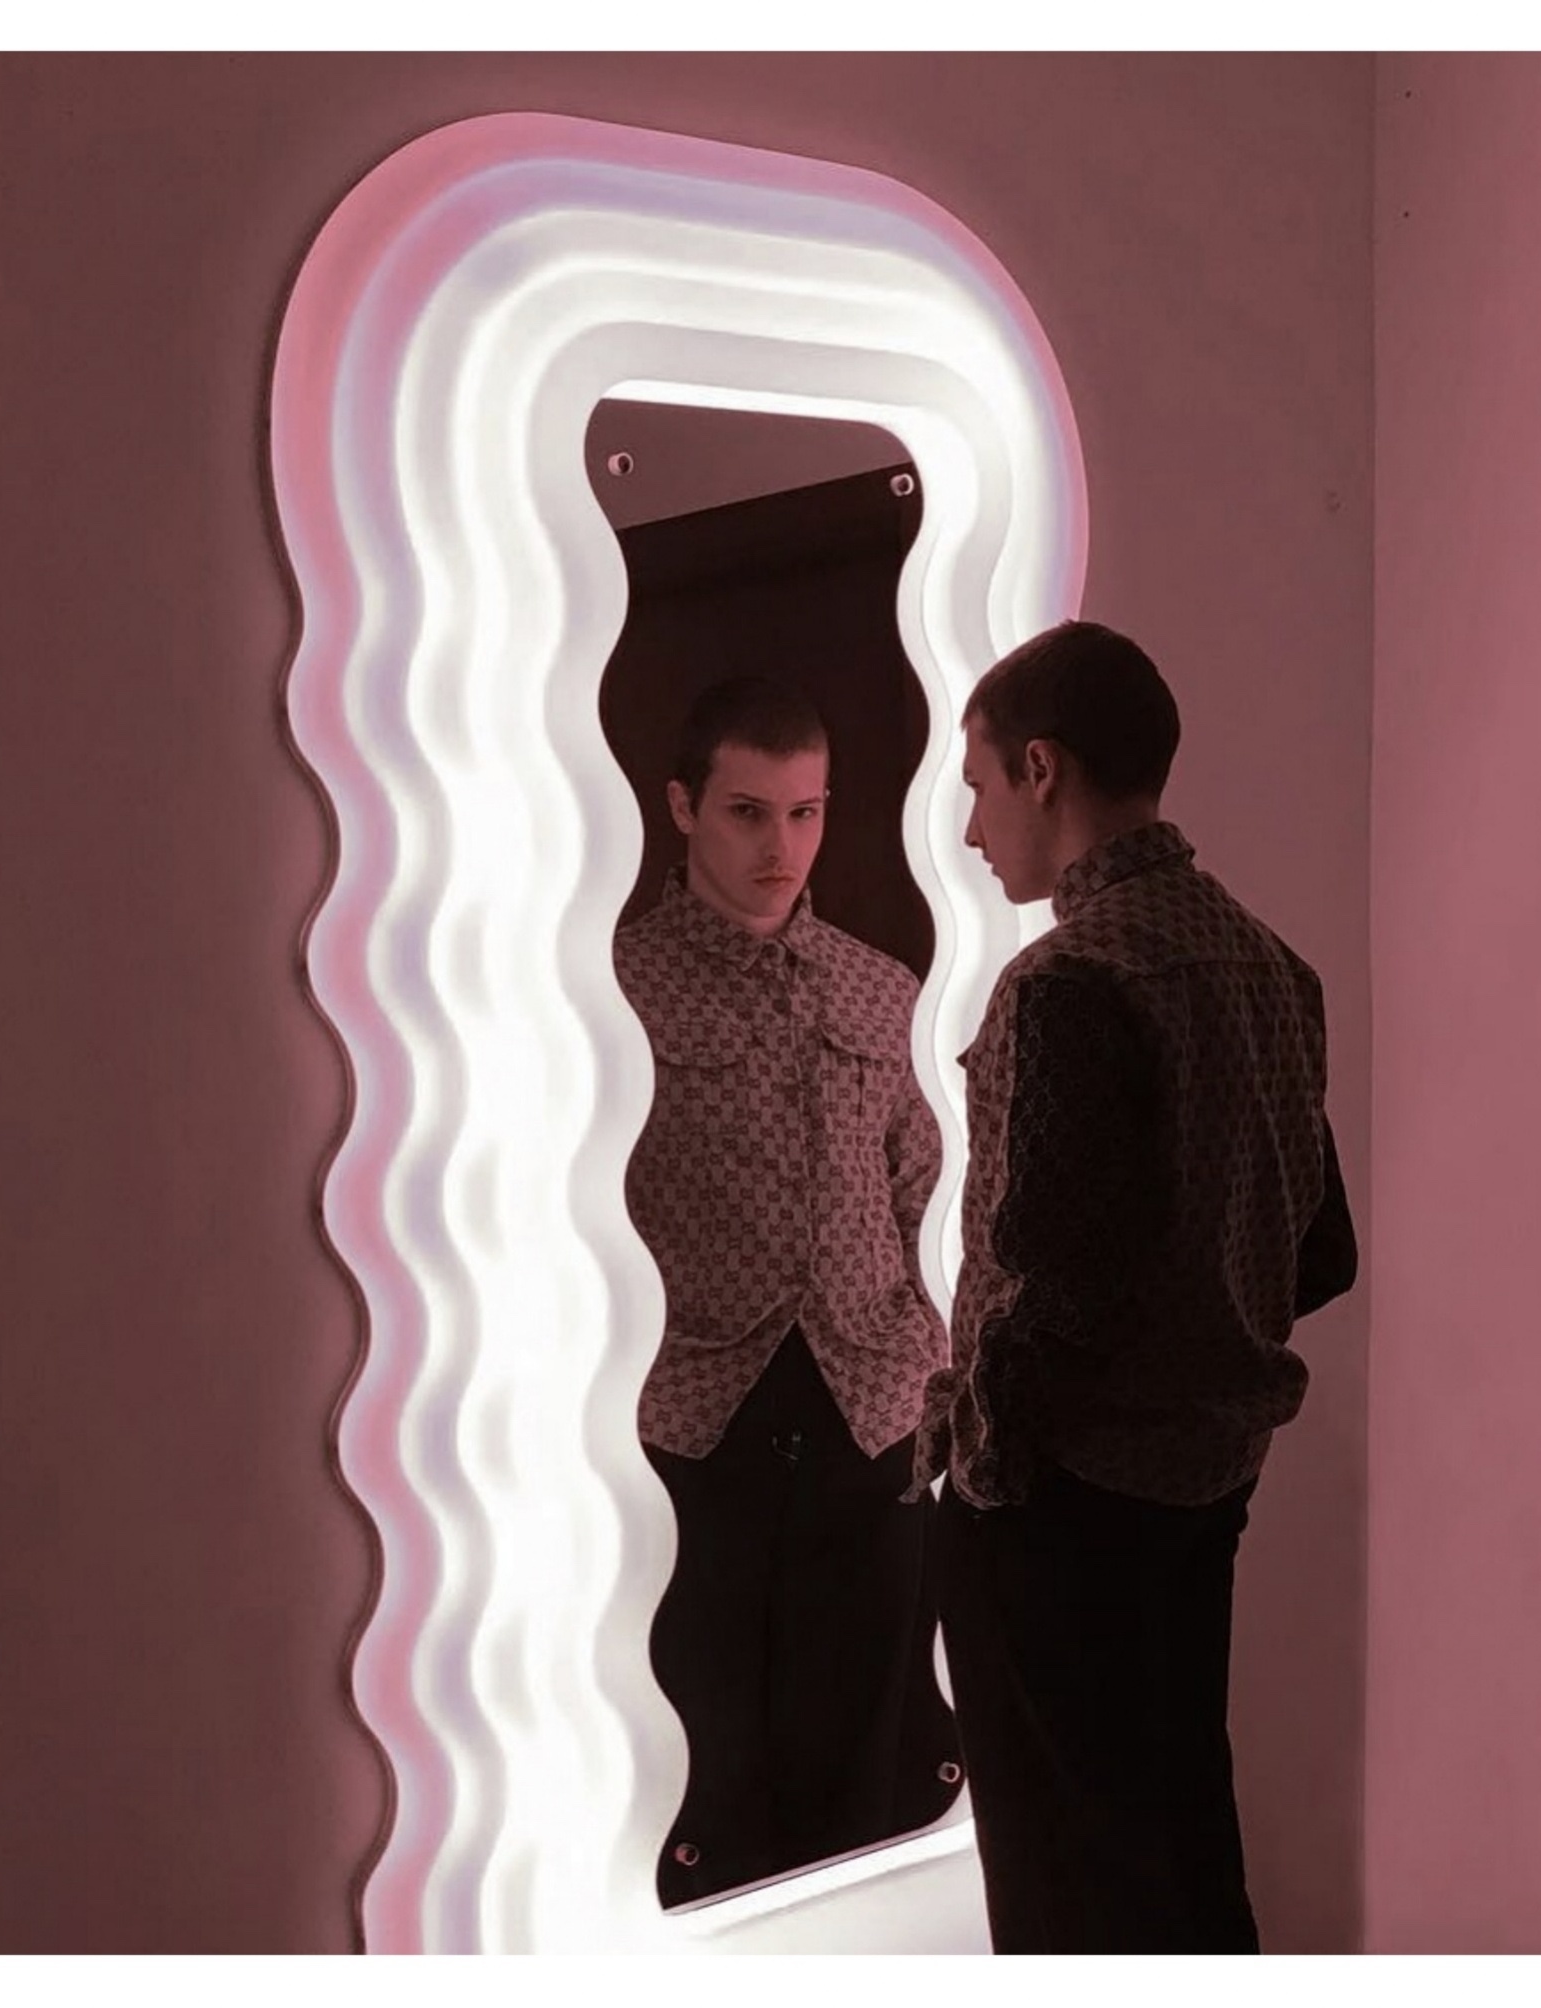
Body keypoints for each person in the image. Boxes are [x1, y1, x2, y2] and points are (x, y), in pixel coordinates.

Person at [911, 619, 1358, 1953]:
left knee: (1064, 1902)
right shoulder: (1272, 967)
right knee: (1176, 1860)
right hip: (1205, 1491)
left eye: (979, 784)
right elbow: (1321, 1252)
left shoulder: (1067, 982)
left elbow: (1059, 1292)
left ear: (1041, 769)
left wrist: (972, 1468)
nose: (972, 827)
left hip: (1064, 1513)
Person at [614, 674, 959, 1908]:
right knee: (704, 1768)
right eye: (748, 812)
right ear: (682, 807)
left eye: (805, 812)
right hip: (689, 1419)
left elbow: (926, 1193)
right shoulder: (614, 989)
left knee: (866, 1762)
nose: (781, 845)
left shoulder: (880, 988)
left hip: (870, 1410)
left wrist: (928, 1365)